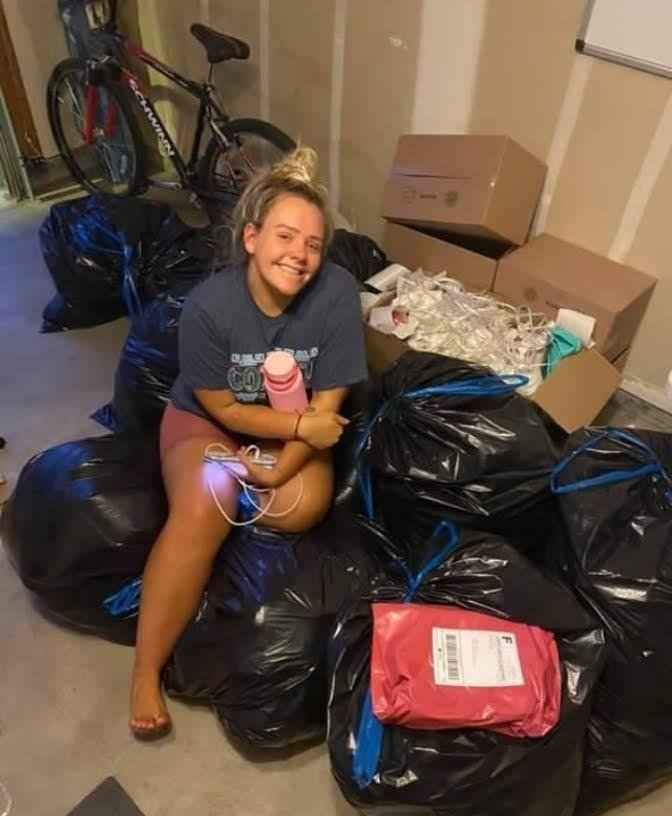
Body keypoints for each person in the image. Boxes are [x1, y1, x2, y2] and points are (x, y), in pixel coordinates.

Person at [129, 147, 368, 737]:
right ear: (253, 238)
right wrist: (298, 431)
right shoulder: (210, 306)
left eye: (313, 245)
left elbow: (327, 403)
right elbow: (223, 407)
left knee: (303, 506)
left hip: (288, 427)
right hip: (210, 424)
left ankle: (241, 496)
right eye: (285, 236)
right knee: (205, 504)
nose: (300, 255)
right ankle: (145, 669)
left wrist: (277, 470)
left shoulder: (337, 292)